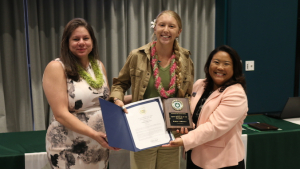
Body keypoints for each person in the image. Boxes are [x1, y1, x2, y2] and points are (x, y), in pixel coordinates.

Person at [109, 10, 194, 169]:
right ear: (155, 28)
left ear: (179, 32)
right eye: (161, 25)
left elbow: (188, 95)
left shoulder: (185, 59)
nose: (166, 30)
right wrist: (117, 99)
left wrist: (186, 118)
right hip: (143, 129)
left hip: (171, 131)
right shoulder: (137, 56)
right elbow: (120, 84)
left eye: (171, 26)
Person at [43, 18, 119, 169]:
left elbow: (105, 101)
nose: (81, 42)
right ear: (67, 42)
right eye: (76, 39)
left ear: (92, 41)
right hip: (69, 146)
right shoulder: (57, 67)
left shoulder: (98, 65)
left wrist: (131, 99)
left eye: (86, 38)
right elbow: (60, 114)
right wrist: (93, 134)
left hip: (98, 144)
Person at [163, 45, 248, 169]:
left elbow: (214, 127)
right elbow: (190, 113)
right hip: (195, 155)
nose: (220, 67)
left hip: (221, 161)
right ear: (209, 64)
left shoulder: (236, 94)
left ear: (235, 68)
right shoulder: (200, 84)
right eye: (216, 62)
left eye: (226, 64)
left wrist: (184, 140)